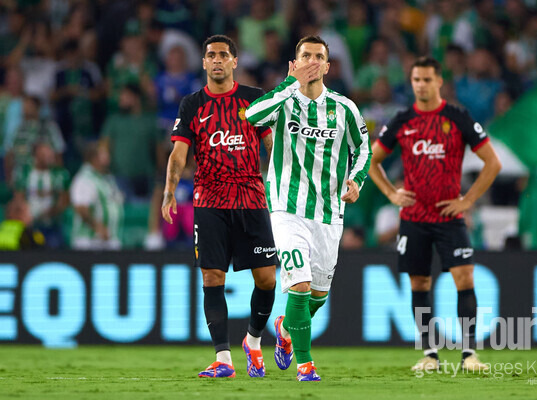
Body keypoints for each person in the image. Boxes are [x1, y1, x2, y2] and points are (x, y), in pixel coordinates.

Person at [246, 35, 372, 381]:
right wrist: (290, 83)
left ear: (328, 66)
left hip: (330, 213)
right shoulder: (284, 100)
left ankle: (286, 329)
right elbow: (251, 115)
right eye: (306, 56)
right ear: (296, 62)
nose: (313, 61)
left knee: (317, 295)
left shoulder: (345, 108)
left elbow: (364, 150)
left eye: (319, 56)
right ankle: (306, 364)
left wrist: (357, 180)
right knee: (299, 286)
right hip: (286, 208)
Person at [368, 56, 501, 372]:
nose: (422, 85)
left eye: (427, 79)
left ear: (439, 81)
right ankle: (430, 354)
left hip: (449, 216)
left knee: (464, 277)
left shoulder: (457, 118)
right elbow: (370, 162)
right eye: (416, 80)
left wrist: (467, 200)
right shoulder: (402, 120)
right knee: (419, 283)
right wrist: (391, 193)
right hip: (414, 218)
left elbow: (493, 163)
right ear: (411, 82)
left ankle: (469, 355)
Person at [161, 35, 277, 379]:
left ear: (234, 62)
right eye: (210, 54)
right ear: (203, 62)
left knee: (267, 280)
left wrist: (277, 185)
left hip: (252, 198)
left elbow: (271, 145)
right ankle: (223, 358)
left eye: (223, 55)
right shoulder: (192, 104)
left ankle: (253, 342)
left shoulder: (254, 99)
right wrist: (169, 192)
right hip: (209, 200)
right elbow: (179, 153)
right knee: (212, 275)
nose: (216, 60)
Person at [70, 142, 123, 250]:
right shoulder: (85, 179)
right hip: (90, 242)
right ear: (94, 157)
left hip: (107, 241)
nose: (108, 156)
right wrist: (98, 228)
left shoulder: (105, 177)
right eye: (104, 154)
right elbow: (81, 209)